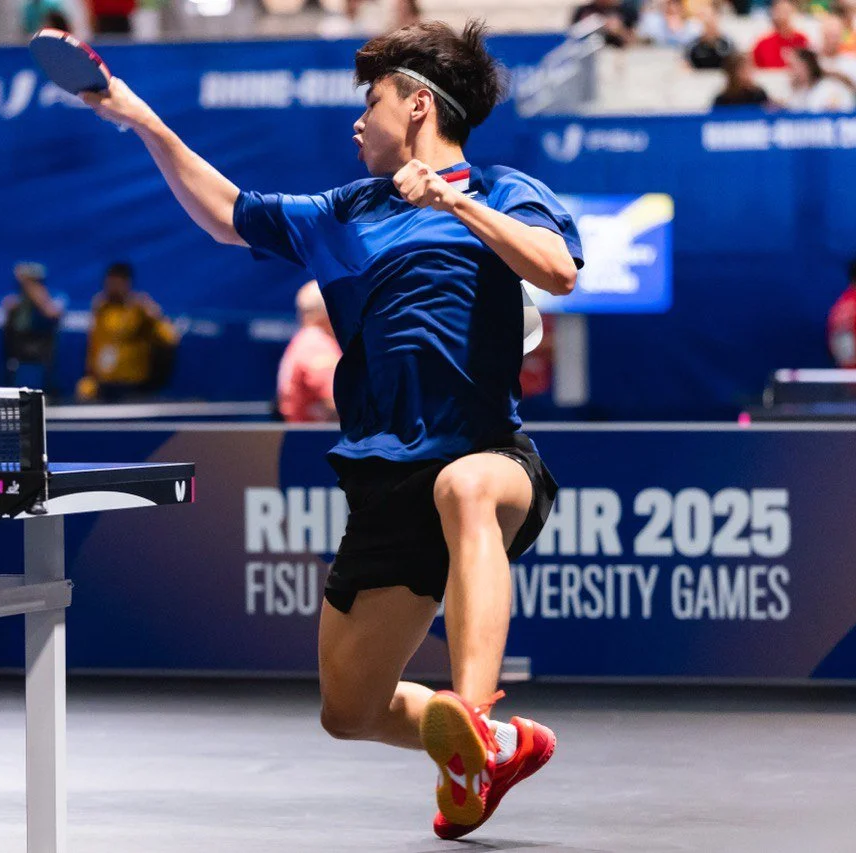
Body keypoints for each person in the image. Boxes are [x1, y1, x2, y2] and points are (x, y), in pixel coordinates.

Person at [78, 18, 581, 840]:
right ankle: (496, 748)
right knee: (349, 709)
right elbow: (225, 213)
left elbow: (555, 269)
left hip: (488, 456)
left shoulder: (505, 190)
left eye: (372, 101)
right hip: (385, 481)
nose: (357, 121)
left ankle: (480, 719)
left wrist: (451, 197)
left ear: (419, 106)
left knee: (466, 485)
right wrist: (143, 119)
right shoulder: (342, 212)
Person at [77, 263, 178, 401]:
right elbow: (94, 345)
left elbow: (169, 337)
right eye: (110, 283)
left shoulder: (140, 310)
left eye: (117, 284)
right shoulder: (101, 309)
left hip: (133, 386)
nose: (113, 289)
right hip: (103, 384)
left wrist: (154, 315)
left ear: (127, 283)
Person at [0, 262, 66, 390]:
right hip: (17, 360)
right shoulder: (14, 302)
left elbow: (53, 315)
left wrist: (38, 297)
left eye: (31, 282)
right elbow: (1, 323)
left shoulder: (53, 298)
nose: (26, 287)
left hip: (39, 359)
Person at [277, 281, 341, 423]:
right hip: (319, 440)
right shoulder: (317, 345)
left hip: (302, 436)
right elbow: (337, 402)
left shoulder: (302, 341)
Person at [786, 47, 856, 112]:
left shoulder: (830, 88)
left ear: (805, 67)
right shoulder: (799, 91)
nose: (789, 71)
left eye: (792, 66)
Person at [752, 0, 809, 70]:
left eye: (786, 11)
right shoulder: (763, 43)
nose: (783, 15)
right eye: (780, 11)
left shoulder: (801, 40)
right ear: (773, 13)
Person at [636, 0, 701, 49]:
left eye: (676, 4)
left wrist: (678, 30)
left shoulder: (693, 25)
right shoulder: (652, 21)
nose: (672, 8)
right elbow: (641, 39)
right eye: (669, 4)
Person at [571, 0, 638, 48]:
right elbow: (570, 38)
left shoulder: (627, 10)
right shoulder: (584, 10)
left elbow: (636, 43)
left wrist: (619, 30)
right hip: (587, 54)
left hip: (616, 55)